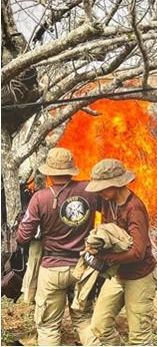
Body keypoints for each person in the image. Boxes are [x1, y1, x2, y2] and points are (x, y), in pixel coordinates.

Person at [16, 147, 98, 345]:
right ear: (71, 170)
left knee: (48, 325)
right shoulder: (90, 191)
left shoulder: (40, 198)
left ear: (49, 173)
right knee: (84, 319)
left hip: (52, 268)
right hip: (83, 266)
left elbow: (22, 237)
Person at [82, 158, 157, 346]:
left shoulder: (135, 208)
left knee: (139, 338)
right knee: (100, 326)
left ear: (118, 184)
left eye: (104, 187)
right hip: (118, 274)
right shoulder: (108, 201)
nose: (100, 192)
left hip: (140, 277)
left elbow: (138, 253)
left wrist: (103, 257)